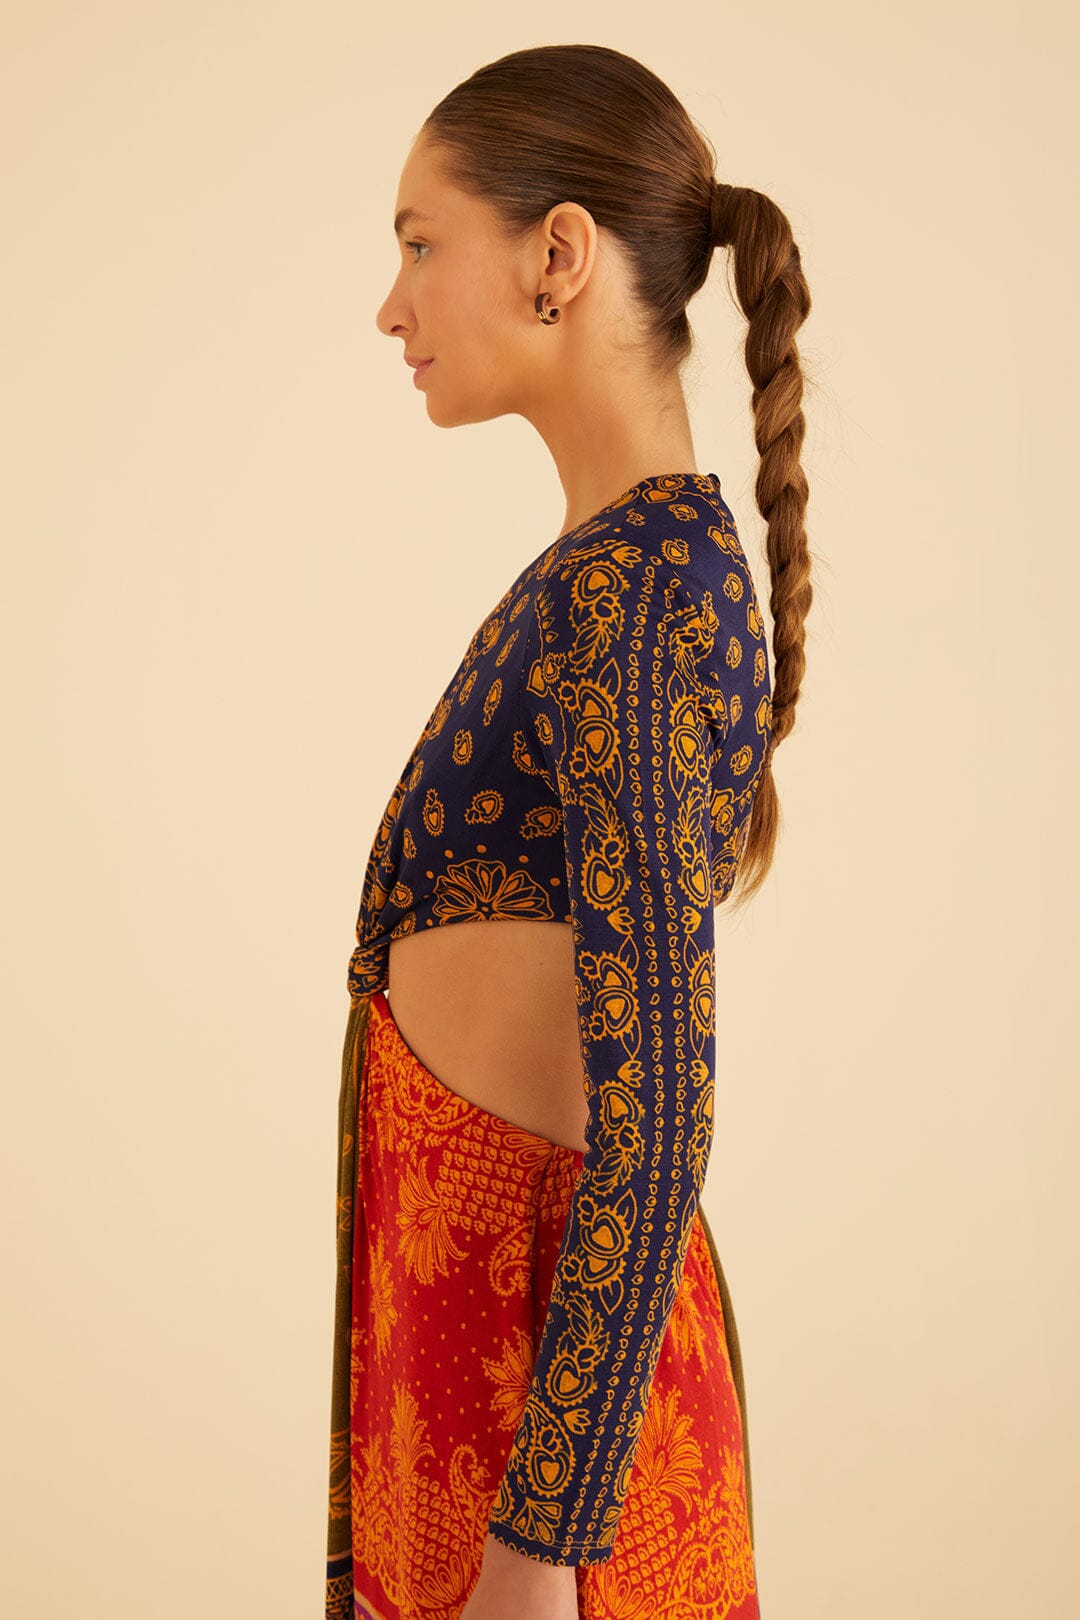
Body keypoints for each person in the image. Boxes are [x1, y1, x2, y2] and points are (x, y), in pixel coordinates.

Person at [326, 41, 814, 1620]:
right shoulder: (606, 576)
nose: (391, 306)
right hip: (473, 1391)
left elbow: (656, 1109)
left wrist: (540, 1549)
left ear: (557, 257)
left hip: (551, 1476)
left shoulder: (636, 600)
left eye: (420, 244)